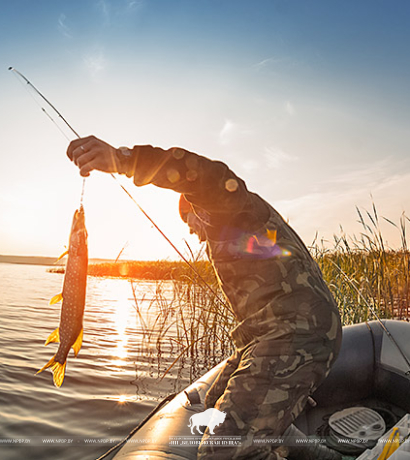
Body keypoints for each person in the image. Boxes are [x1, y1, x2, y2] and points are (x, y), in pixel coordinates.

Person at [67, 136, 343, 459]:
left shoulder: (231, 203)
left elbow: (196, 172)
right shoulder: (233, 230)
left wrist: (123, 159)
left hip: (299, 333)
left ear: (198, 205)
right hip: (271, 333)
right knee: (213, 404)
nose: (191, 231)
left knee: (220, 450)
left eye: (189, 219)